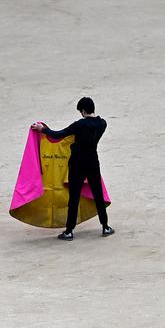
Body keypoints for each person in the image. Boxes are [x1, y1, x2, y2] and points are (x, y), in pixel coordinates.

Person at [31, 97, 113, 241]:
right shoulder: (102, 124)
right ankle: (105, 226)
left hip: (77, 164)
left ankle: (69, 231)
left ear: (82, 111)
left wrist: (42, 129)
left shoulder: (79, 125)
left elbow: (58, 135)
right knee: (98, 194)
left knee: (74, 196)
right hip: (93, 161)